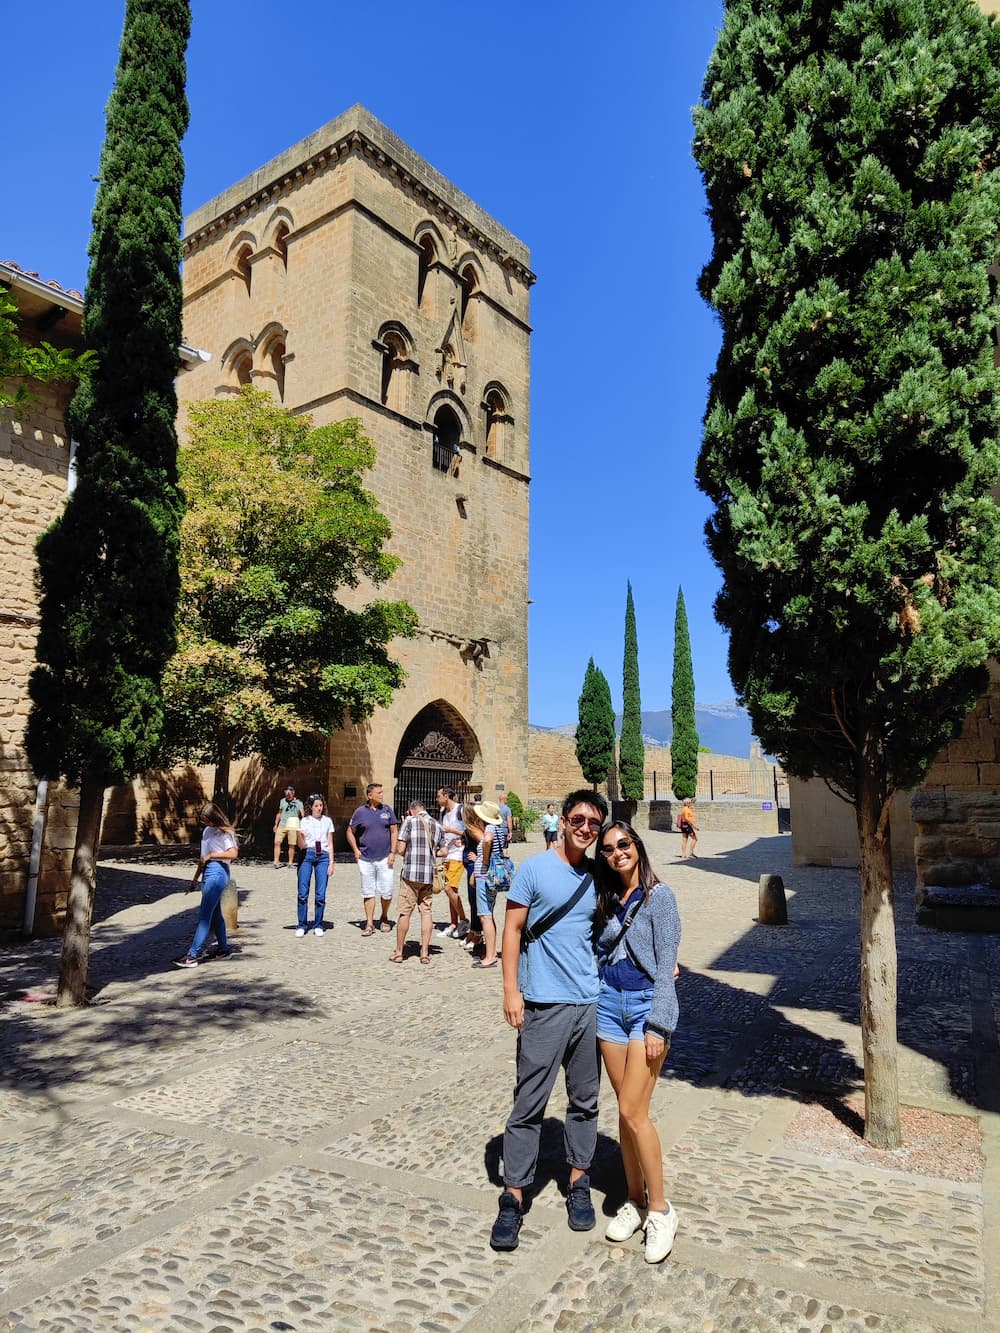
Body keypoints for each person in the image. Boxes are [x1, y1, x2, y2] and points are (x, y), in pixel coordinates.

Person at [490, 788, 609, 1252]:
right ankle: (514, 1194)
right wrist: (511, 990)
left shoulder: (598, 874)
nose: (585, 828)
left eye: (593, 823)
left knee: (585, 1100)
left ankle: (578, 1182)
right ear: (563, 821)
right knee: (528, 1103)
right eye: (578, 819)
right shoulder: (534, 869)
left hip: (588, 1003)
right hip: (542, 1004)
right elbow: (513, 929)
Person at [594, 819, 681, 1264]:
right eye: (608, 849)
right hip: (609, 1004)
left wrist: (659, 1025)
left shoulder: (659, 897)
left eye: (623, 844)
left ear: (637, 846)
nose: (617, 854)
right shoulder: (607, 897)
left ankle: (661, 1210)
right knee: (623, 1111)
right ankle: (634, 1199)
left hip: (646, 1007)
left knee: (633, 1110)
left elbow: (667, 965)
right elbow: (597, 948)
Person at [176, 802, 239, 967]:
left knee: (204, 917)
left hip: (218, 873)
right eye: (203, 820)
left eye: (207, 820)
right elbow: (203, 857)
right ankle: (223, 949)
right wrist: (195, 879)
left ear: (214, 818)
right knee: (216, 915)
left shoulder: (225, 833)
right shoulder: (207, 831)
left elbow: (233, 854)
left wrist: (213, 855)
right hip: (208, 872)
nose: (205, 822)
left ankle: (192, 956)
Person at [391, 800, 443, 964]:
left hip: (410, 875)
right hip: (428, 876)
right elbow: (444, 851)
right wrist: (429, 852)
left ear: (412, 810)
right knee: (426, 912)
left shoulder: (409, 821)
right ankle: (425, 952)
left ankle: (399, 952)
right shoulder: (437, 825)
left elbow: (400, 849)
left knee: (405, 912)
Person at [346, 782, 399, 936]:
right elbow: (350, 831)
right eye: (379, 793)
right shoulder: (360, 812)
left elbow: (394, 831)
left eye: (382, 792)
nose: (382, 795)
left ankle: (384, 917)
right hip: (365, 858)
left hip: (385, 858)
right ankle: (369, 923)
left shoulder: (387, 810)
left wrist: (393, 852)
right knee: (368, 892)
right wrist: (355, 850)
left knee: (387, 891)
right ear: (370, 795)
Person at [463, 800, 508, 970]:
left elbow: (487, 840)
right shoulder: (498, 829)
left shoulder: (489, 828)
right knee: (488, 914)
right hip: (490, 876)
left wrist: (485, 859)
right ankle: (491, 952)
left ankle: (490, 957)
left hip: (484, 875)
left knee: (485, 916)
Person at [296, 794, 335, 937]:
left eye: (321, 805)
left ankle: (318, 924)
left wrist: (331, 862)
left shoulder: (327, 821)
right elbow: (301, 845)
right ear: (311, 807)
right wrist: (299, 835)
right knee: (302, 892)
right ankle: (302, 924)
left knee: (320, 894)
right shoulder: (304, 821)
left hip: (323, 856)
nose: (319, 808)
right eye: (316, 806)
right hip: (307, 854)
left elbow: (330, 843)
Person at [435, 787, 470, 939]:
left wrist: (454, 833)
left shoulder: (460, 810)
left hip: (458, 854)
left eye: (439, 796)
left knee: (449, 888)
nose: (437, 799)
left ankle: (464, 920)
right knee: (450, 890)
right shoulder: (444, 812)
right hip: (447, 855)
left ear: (446, 796)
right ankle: (454, 923)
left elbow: (470, 830)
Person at [272, 785, 303, 868]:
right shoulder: (282, 801)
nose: (288, 796)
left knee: (292, 844)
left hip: (293, 825)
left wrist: (302, 825)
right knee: (277, 842)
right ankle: (276, 861)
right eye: (286, 794)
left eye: (289, 794)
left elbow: (302, 814)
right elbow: (279, 813)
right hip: (282, 824)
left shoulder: (298, 802)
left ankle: (290, 863)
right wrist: (276, 824)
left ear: (293, 793)